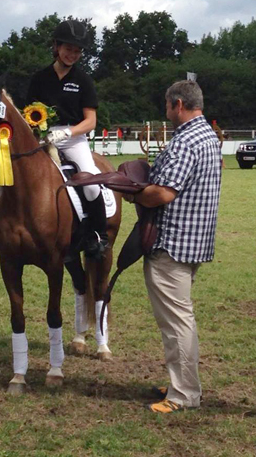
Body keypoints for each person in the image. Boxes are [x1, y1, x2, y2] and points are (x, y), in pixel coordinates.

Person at [125, 80, 222, 413]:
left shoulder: (185, 140)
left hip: (172, 243)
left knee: (176, 322)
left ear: (178, 104)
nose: (165, 112)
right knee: (182, 318)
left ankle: (183, 395)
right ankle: (184, 384)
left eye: (167, 106)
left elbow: (164, 192)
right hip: (194, 242)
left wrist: (133, 192)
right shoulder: (208, 136)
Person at [26, 19, 108, 259]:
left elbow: (90, 121)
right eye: (68, 49)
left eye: (77, 50)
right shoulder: (39, 78)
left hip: (73, 138)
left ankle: (98, 235)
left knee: (91, 183)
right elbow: (28, 113)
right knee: (6, 179)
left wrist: (67, 132)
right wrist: (38, 133)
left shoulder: (83, 80)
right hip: (42, 138)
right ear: (56, 46)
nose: (72, 54)